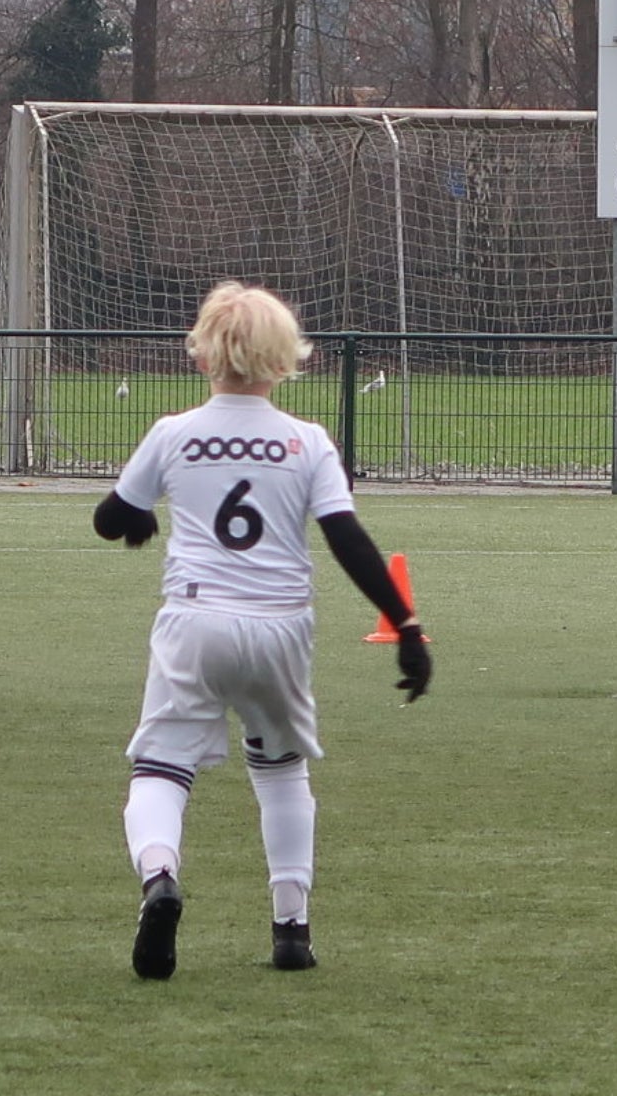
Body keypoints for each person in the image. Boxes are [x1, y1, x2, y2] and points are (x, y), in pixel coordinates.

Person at [93, 281, 432, 980]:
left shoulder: (174, 433)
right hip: (280, 625)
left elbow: (109, 519)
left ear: (202, 355)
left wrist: (141, 515)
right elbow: (348, 540)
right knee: (281, 772)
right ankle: (291, 928)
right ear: (285, 361)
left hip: (195, 621)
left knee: (161, 769)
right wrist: (405, 624)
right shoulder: (307, 442)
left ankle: (160, 877)